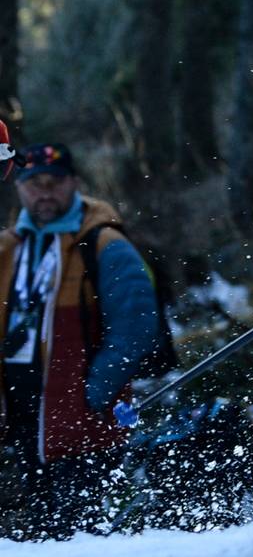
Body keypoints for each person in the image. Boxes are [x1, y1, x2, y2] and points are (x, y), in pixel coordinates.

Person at [2, 142, 165, 538]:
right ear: (18, 188)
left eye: (54, 182)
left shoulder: (105, 244)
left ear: (73, 183)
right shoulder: (8, 248)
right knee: (35, 533)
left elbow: (137, 327)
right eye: (33, 183)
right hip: (21, 416)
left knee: (81, 534)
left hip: (83, 419)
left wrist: (94, 393)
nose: (44, 192)